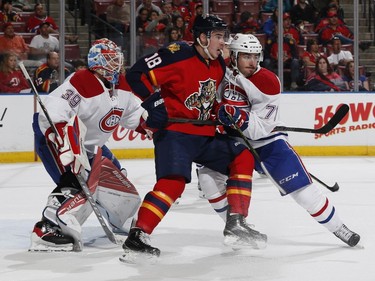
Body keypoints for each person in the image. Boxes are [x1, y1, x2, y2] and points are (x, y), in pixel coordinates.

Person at [121, 15, 267, 263]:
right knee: (173, 184)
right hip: (175, 134)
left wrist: (221, 113)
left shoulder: (219, 64)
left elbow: (210, 99)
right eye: (219, 37)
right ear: (202, 37)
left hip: (205, 134)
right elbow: (135, 74)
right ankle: (137, 236)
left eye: (224, 37)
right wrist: (154, 102)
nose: (224, 43)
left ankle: (236, 222)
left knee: (242, 154)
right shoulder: (176, 55)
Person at [198, 33, 361, 248]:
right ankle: (237, 227)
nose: (252, 62)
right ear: (235, 56)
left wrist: (238, 116)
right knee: (208, 179)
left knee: (303, 192)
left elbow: (259, 129)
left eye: (256, 57)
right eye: (246, 56)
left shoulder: (267, 82)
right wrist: (217, 112)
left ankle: (339, 227)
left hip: (267, 142)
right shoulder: (222, 70)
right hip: (232, 141)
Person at [30, 38, 145, 252]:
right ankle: (47, 228)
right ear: (98, 62)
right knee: (75, 182)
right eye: (111, 60)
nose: (117, 64)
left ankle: (120, 219)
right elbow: (54, 110)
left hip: (91, 147)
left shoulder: (122, 85)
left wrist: (152, 123)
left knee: (116, 178)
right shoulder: (82, 81)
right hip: (57, 139)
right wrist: (62, 140)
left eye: (116, 59)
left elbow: (134, 115)